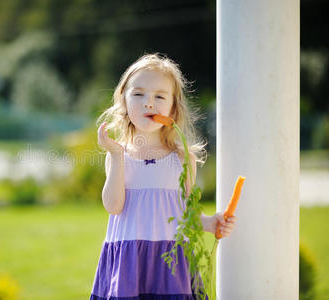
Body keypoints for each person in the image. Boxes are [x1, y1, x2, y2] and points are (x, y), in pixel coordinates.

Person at [89, 53, 237, 300]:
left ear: (173, 107)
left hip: (171, 261)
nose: (149, 103)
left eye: (159, 96)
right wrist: (115, 154)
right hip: (129, 261)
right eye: (138, 94)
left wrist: (210, 223)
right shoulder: (118, 155)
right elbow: (114, 207)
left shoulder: (183, 158)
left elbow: (186, 209)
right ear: (123, 101)